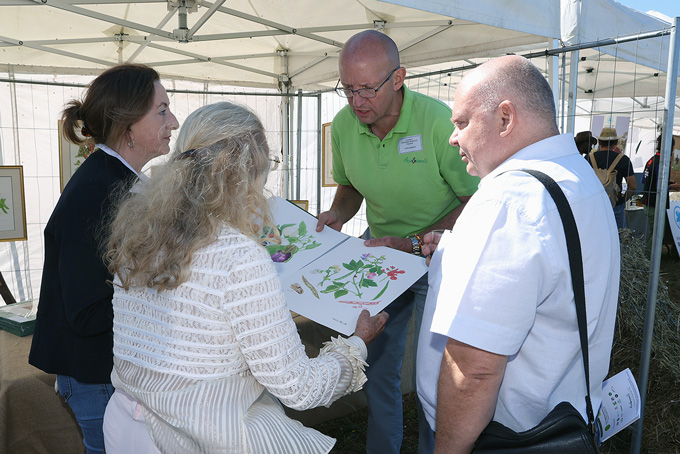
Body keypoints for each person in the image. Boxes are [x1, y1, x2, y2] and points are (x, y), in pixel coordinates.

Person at [101, 102, 389, 454]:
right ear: (247, 173)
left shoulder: (140, 230)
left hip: (126, 425)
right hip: (202, 435)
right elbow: (299, 387)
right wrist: (357, 344)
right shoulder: (238, 254)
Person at [416, 55, 619, 454]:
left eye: (461, 123)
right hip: (560, 424)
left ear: (505, 118)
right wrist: (458, 252)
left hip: (502, 437)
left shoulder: (507, 202)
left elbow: (473, 369)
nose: (453, 139)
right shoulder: (578, 179)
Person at [315, 30, 479, 454]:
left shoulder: (438, 123)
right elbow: (349, 186)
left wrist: (414, 242)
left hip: (438, 254)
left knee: (434, 372)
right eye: (348, 88)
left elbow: (475, 200)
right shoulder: (345, 126)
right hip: (383, 252)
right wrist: (338, 212)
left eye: (368, 88)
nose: (356, 101)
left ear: (398, 78)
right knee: (377, 363)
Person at [28, 64, 179, 454]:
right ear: (127, 125)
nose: (174, 121)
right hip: (95, 376)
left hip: (108, 370)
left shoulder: (118, 180)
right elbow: (86, 312)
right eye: (161, 111)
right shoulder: (98, 192)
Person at [588, 126, 636, 228]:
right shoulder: (624, 160)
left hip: (594, 205)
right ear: (616, 143)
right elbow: (632, 186)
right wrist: (622, 201)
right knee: (618, 238)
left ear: (599, 142)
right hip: (615, 205)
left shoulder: (588, 158)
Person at [642, 134, 680, 255]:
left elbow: (645, 179)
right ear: (670, 147)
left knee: (656, 234)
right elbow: (659, 186)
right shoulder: (662, 162)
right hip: (654, 203)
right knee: (656, 235)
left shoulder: (652, 159)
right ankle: (647, 263)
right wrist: (672, 186)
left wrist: (667, 182)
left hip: (649, 201)